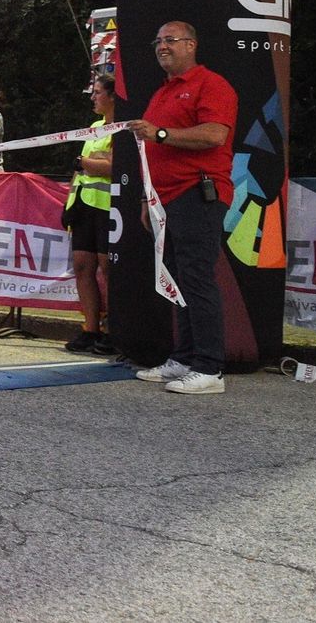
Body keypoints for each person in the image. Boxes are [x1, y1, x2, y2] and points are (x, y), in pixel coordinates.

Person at [128, 21, 237, 396]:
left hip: (198, 192)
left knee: (197, 277)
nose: (162, 46)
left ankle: (210, 368)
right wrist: (146, 199)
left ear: (191, 44)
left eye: (170, 40)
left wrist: (160, 133)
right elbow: (150, 152)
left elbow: (214, 134)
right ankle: (185, 357)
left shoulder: (211, 84)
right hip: (164, 199)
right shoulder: (162, 93)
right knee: (176, 280)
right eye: (157, 41)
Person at [63, 75, 116, 355]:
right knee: (83, 266)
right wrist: (68, 203)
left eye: (97, 93)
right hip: (83, 204)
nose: (93, 97)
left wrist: (86, 163)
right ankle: (90, 328)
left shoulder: (121, 128)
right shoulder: (95, 127)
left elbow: (114, 166)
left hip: (108, 207)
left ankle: (114, 329)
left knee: (109, 269)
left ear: (112, 96)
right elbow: (83, 168)